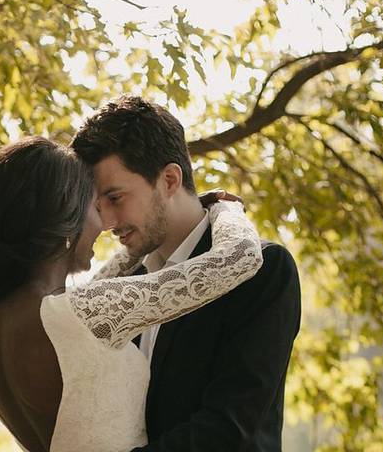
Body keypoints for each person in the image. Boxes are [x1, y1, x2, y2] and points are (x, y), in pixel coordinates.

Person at [0, 136, 263, 451]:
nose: (105, 223)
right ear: (66, 217)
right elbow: (239, 257)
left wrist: (151, 225)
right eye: (95, 206)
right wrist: (224, 208)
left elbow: (107, 281)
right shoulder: (84, 312)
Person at [71, 95, 301, 451]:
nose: (107, 223)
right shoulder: (119, 287)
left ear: (169, 180)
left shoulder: (263, 271)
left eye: (115, 198)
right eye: (99, 206)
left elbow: (226, 430)